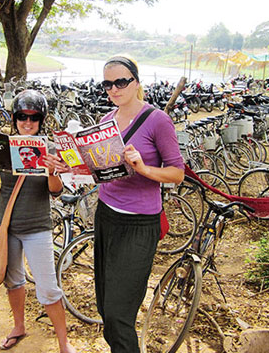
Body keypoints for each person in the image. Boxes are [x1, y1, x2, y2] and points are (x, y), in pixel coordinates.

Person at [0, 89, 75, 352]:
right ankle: (19, 326)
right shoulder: (2, 146)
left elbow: (55, 191)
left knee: (48, 288)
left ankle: (64, 342)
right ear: (14, 118)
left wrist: (52, 171)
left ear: (42, 119)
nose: (27, 123)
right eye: (21, 117)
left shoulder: (50, 148)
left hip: (37, 227)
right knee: (13, 280)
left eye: (33, 117)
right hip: (5, 225)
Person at [94, 55, 185, 352]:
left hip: (139, 223)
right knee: (105, 306)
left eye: (121, 82)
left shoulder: (157, 120)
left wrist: (144, 169)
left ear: (136, 81)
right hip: (106, 216)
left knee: (120, 314)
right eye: (107, 84)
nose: (114, 89)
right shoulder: (105, 122)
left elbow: (177, 173)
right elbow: (100, 171)